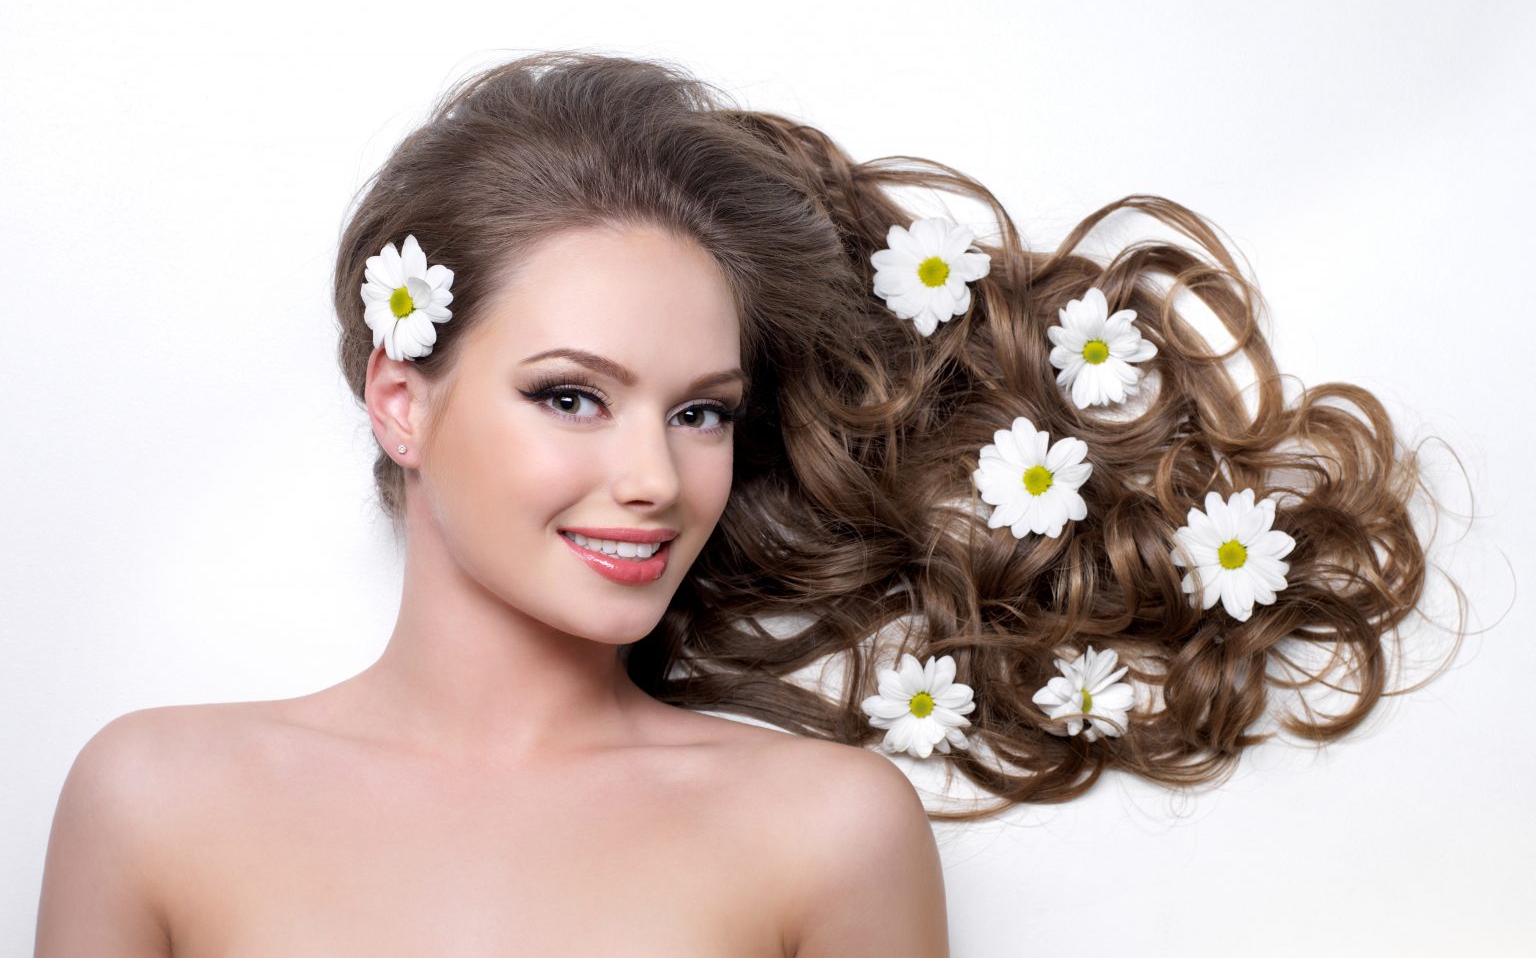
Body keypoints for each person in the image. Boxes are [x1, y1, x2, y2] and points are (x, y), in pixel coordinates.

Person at [33, 49, 1466, 955]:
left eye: (703, 410)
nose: (657, 476)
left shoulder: (824, 832)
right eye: (572, 394)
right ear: (401, 397)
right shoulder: (155, 801)